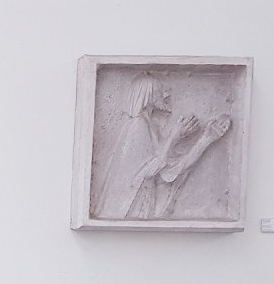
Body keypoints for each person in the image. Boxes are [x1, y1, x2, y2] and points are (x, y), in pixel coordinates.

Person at [94, 74, 231, 220]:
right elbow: (150, 170)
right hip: (133, 206)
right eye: (160, 90)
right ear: (149, 95)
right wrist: (174, 137)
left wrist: (206, 138)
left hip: (143, 203)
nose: (166, 95)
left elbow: (172, 171)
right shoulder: (138, 125)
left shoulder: (149, 126)